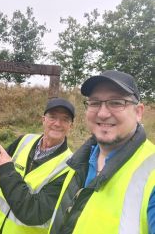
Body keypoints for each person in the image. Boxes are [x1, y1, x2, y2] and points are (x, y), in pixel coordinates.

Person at [48, 70, 155, 234]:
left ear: (138, 112)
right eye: (95, 103)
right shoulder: (78, 161)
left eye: (117, 103)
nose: (103, 113)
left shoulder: (151, 173)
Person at [0, 97, 75, 234]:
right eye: (52, 117)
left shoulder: (69, 166)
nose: (57, 123)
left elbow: (34, 211)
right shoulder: (25, 140)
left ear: (71, 126)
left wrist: (7, 169)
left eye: (65, 119)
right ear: (43, 120)